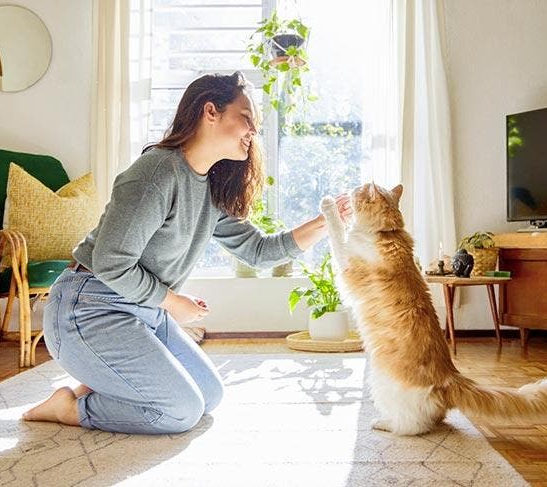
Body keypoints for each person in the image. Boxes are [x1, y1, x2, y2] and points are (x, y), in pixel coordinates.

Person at [23, 71, 351, 434]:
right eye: (246, 117)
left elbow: (259, 252)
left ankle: (107, 380)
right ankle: (68, 407)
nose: (253, 130)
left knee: (209, 396)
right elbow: (110, 263)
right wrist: (172, 301)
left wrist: (326, 222)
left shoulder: (210, 188)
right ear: (211, 112)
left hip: (142, 313)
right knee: (179, 411)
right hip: (87, 310)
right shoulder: (156, 173)